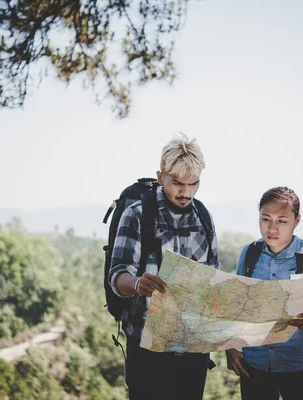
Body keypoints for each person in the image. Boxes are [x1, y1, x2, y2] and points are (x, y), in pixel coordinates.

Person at [108, 133, 220, 400]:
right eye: (177, 183)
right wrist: (136, 284)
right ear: (161, 178)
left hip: (192, 347)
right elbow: (117, 275)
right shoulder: (137, 214)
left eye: (194, 183)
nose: (186, 192)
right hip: (147, 347)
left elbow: (213, 276)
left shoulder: (203, 217)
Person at [225, 186, 303, 400]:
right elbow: (238, 306)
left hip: (301, 368)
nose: (272, 228)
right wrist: (231, 348)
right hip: (254, 367)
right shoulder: (250, 254)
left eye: (282, 221)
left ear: (297, 220)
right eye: (266, 219)